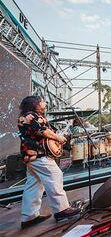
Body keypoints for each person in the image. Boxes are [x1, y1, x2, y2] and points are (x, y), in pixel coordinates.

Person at [18, 96, 80, 229]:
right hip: (39, 154)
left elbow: (44, 131)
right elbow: (42, 131)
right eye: (42, 101)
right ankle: (62, 210)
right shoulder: (30, 116)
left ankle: (29, 217)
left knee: (34, 184)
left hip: (31, 156)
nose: (44, 103)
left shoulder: (28, 116)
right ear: (35, 104)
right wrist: (58, 138)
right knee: (55, 176)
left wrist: (58, 137)